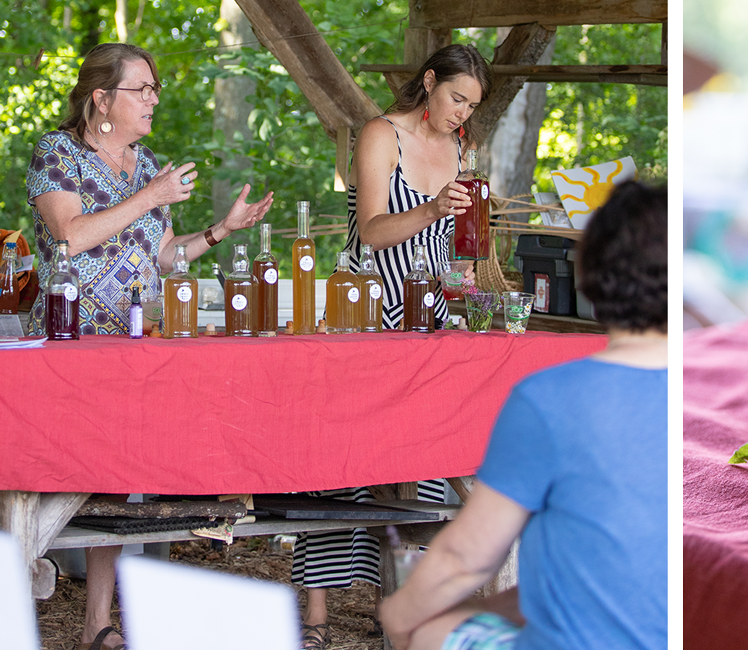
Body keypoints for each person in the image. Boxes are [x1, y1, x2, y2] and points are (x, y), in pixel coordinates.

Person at [26, 42, 273, 650]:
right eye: (143, 88)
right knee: (48, 484)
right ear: (102, 98)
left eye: (156, 88)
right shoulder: (59, 155)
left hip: (134, 343)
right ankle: (24, 594)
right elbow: (72, 237)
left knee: (121, 478)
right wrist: (150, 198)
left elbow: (164, 257)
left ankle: (98, 625)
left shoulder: (146, 164)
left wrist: (220, 230)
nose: (154, 98)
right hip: (68, 344)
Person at [380, 180, 668, 650]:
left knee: (429, 631)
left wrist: (396, 614)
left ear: (588, 273)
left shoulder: (551, 398)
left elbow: (464, 559)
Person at [293, 44, 492, 649]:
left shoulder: (463, 148)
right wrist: (434, 206)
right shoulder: (380, 135)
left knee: (419, 457)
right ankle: (317, 617)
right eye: (456, 97)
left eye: (472, 105)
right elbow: (376, 231)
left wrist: (467, 262)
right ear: (428, 81)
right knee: (337, 460)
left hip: (428, 314)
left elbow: (447, 243)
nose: (462, 113)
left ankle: (399, 605)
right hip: (365, 309)